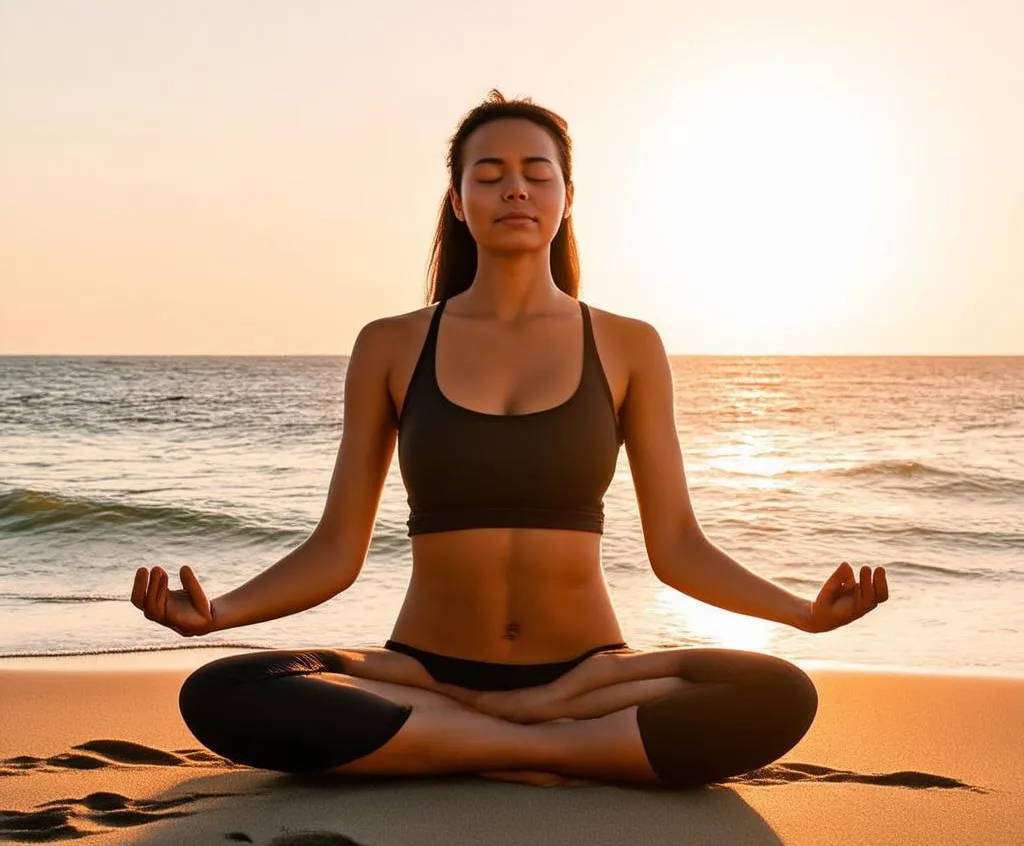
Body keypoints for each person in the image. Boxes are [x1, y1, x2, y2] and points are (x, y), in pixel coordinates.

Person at [131, 90, 889, 788]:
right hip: (423, 672)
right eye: (488, 174)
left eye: (537, 172)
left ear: (566, 197)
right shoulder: (391, 345)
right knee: (223, 691)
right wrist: (219, 614)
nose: (515, 189)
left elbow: (678, 546)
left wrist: (800, 614)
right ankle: (541, 747)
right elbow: (337, 550)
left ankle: (469, 740)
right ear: (458, 202)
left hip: (588, 677)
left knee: (779, 692)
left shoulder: (628, 345)